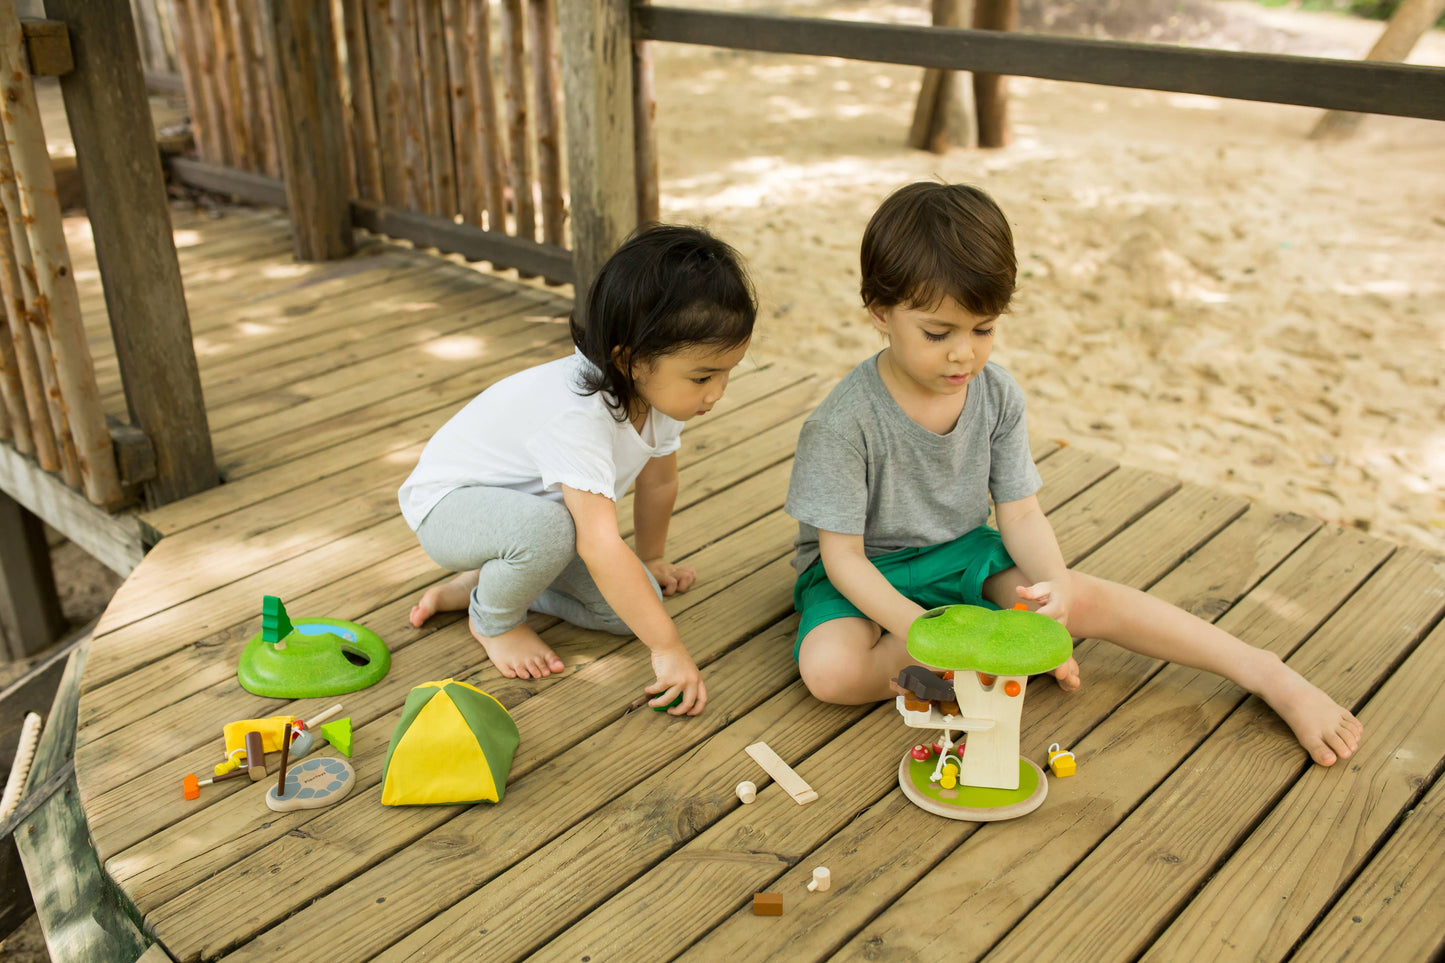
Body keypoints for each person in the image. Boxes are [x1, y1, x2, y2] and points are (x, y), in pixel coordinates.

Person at [783, 182, 1362, 765]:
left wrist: (1055, 588)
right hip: (862, 575)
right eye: (939, 334)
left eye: (983, 329)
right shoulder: (843, 423)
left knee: (1076, 598)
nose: (965, 353)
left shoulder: (997, 394)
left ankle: (1263, 671)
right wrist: (920, 630)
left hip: (959, 554)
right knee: (830, 673)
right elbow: (844, 558)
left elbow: (1021, 511)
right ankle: (981, 654)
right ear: (880, 312)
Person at [399, 224, 756, 715]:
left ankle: (491, 580)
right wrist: (667, 647)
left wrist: (650, 559)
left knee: (626, 608)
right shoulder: (577, 414)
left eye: (726, 372)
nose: (717, 392)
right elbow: (598, 541)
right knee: (550, 533)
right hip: (449, 508)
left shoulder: (662, 401)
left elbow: (659, 482)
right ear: (629, 360)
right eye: (703, 376)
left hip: (538, 525)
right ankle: (495, 620)